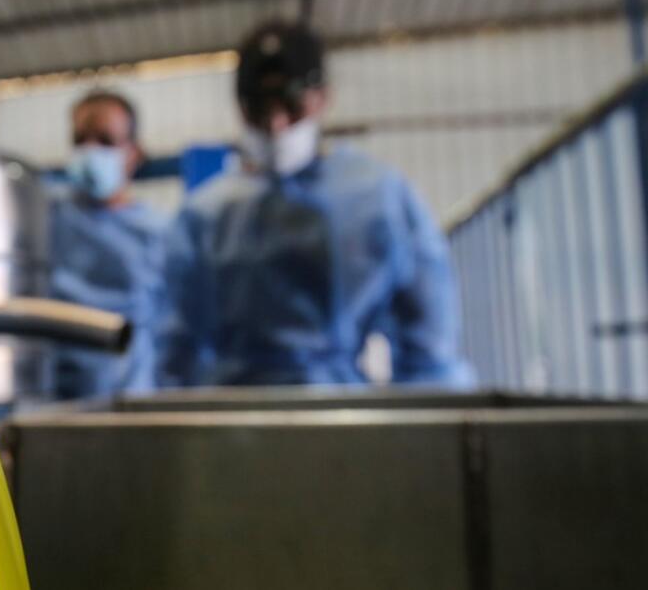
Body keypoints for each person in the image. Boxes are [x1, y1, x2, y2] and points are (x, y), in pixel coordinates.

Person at [157, 21, 474, 387]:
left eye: (290, 106)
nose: (276, 125)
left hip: (340, 414)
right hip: (230, 416)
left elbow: (429, 348)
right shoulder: (205, 215)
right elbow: (173, 350)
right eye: (259, 109)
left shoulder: (377, 198)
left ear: (322, 98)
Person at [51, 90, 167, 397]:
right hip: (51, 404)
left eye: (105, 141)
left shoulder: (158, 235)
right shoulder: (47, 216)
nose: (90, 150)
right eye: (80, 139)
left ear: (134, 154)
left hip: (131, 404)